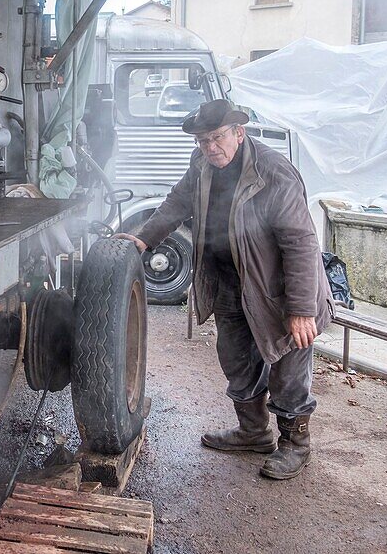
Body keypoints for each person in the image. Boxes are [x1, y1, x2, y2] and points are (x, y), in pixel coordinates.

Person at [116, 99, 333, 480]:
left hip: (279, 292)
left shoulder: (273, 172)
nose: (210, 147)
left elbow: (300, 243)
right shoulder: (201, 166)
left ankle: (296, 444)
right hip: (230, 282)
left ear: (239, 133)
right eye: (203, 141)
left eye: (217, 138)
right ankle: (253, 432)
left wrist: (300, 309)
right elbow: (176, 204)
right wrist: (143, 239)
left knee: (287, 369)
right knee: (236, 359)